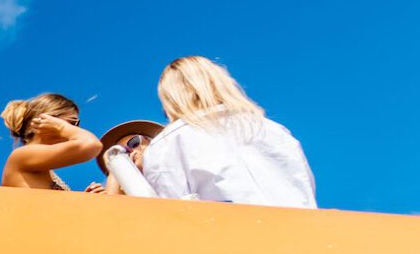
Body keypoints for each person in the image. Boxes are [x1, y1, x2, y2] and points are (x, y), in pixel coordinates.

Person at [112, 56, 317, 208]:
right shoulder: (274, 130)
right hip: (306, 242)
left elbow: (170, 212)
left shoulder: (169, 143)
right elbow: (304, 189)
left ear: (171, 99)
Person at [0, 93, 102, 190]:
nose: (74, 129)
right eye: (73, 122)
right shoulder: (21, 155)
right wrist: (61, 127)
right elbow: (92, 145)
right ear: (47, 119)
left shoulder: (45, 169)